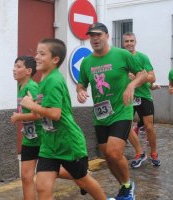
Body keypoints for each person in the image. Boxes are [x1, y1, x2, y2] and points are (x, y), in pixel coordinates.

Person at [20, 38, 114, 200]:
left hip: (68, 144)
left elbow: (55, 113)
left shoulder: (54, 80)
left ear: (55, 59)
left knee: (84, 181)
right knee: (42, 186)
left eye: (42, 54)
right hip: (49, 145)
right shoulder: (43, 80)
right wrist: (35, 103)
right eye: (36, 52)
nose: (37, 57)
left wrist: (31, 105)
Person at [77, 22, 148, 200]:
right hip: (101, 115)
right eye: (91, 35)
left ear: (107, 36)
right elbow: (81, 84)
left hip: (121, 111)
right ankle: (124, 186)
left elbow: (143, 74)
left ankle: (128, 187)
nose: (94, 38)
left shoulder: (122, 54)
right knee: (107, 156)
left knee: (114, 152)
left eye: (98, 34)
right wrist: (80, 91)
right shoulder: (87, 62)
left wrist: (131, 85)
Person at [122, 32, 161, 168]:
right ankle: (139, 153)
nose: (129, 44)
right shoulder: (120, 58)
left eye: (131, 41)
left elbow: (152, 77)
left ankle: (154, 153)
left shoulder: (142, 57)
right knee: (126, 126)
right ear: (123, 43)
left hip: (143, 96)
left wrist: (139, 78)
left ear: (135, 42)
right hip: (128, 96)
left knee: (149, 127)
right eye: (126, 41)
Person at [11, 56, 41, 200]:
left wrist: (18, 117)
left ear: (28, 71)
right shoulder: (20, 85)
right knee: (26, 176)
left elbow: (39, 114)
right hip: (29, 138)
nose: (14, 69)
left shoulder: (32, 87)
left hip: (42, 138)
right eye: (14, 66)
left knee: (50, 171)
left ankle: (80, 176)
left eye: (18, 66)